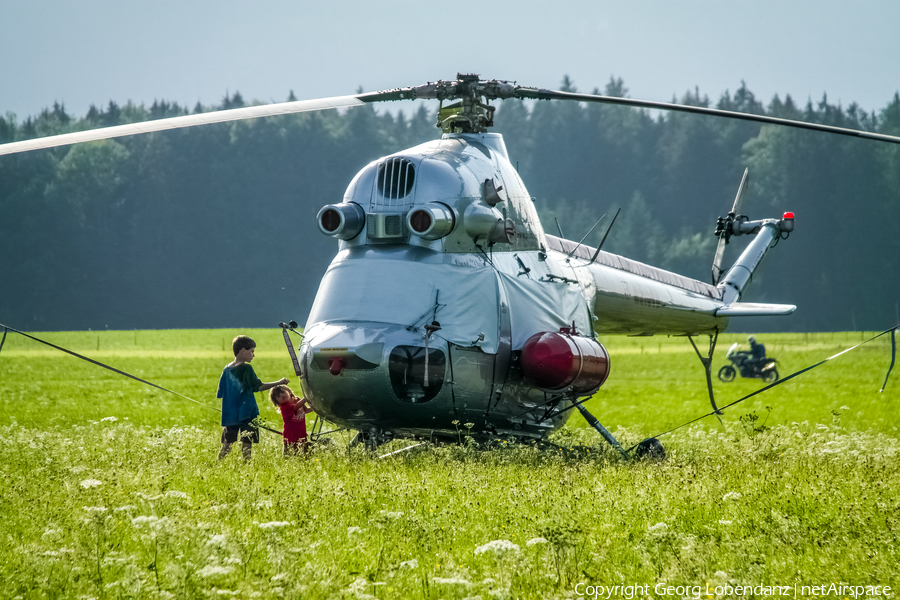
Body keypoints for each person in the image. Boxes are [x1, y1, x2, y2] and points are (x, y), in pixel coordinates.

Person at [217, 335, 289, 461]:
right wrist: (279, 382)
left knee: (227, 444)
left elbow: (221, 392)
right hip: (246, 412)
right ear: (243, 350)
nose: (253, 355)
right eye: (252, 351)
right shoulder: (246, 368)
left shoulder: (227, 369)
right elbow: (258, 387)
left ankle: (217, 464)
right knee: (247, 442)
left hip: (230, 414)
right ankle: (246, 465)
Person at [269, 384, 314, 455]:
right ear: (277, 403)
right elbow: (296, 407)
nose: (281, 395)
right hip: (290, 438)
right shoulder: (284, 408)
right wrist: (306, 397)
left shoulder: (298, 400)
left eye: (283, 392)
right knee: (289, 457)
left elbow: (306, 410)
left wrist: (317, 408)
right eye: (278, 396)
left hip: (301, 435)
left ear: (289, 392)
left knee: (303, 456)